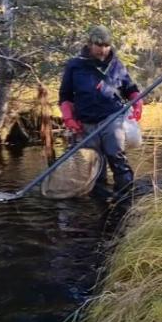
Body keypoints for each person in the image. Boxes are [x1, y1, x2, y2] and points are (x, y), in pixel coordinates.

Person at [59, 25, 142, 196]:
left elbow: (130, 88)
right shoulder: (75, 65)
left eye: (106, 45)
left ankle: (126, 196)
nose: (103, 50)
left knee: (116, 155)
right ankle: (100, 201)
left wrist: (137, 102)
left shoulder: (117, 65)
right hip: (86, 121)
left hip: (112, 118)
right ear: (89, 44)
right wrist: (68, 117)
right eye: (99, 45)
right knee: (94, 163)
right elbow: (65, 95)